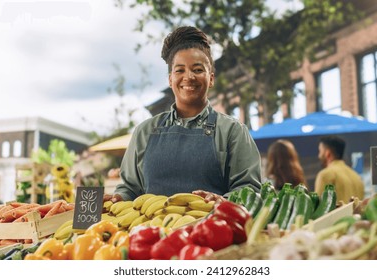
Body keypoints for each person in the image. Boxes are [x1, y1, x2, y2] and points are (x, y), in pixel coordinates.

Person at [105, 26, 262, 203]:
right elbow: (130, 188)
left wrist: (222, 201)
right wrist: (117, 198)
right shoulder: (145, 132)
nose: (189, 77)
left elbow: (250, 190)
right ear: (170, 79)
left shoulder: (232, 131)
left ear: (211, 78)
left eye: (197, 69)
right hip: (150, 230)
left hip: (212, 228)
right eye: (180, 70)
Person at [314, 135, 364, 203]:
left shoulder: (325, 175)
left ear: (327, 153)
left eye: (320, 151)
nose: (318, 156)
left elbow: (319, 208)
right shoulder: (357, 177)